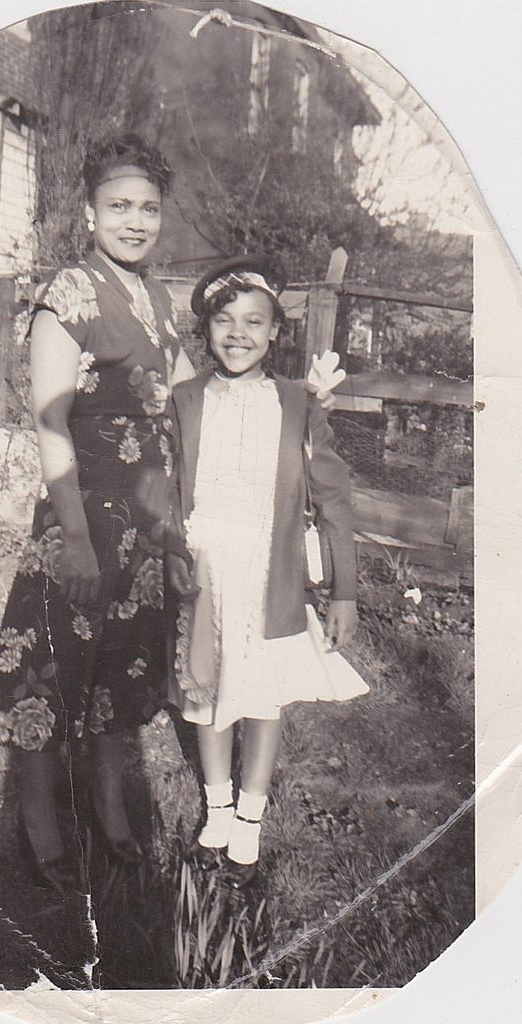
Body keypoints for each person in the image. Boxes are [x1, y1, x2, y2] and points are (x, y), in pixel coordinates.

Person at [0, 134, 195, 891]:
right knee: (49, 678)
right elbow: (49, 421)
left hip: (143, 529)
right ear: (88, 211)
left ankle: (108, 810)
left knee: (122, 679)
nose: (134, 221)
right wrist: (73, 540)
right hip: (81, 523)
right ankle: (42, 831)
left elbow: (186, 403)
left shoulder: (160, 300)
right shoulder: (69, 294)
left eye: (147, 208)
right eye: (118, 206)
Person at [166, 255, 369, 889]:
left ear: (275, 330)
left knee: (262, 692)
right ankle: (218, 808)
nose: (238, 334)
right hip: (204, 572)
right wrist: (171, 553)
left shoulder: (296, 403)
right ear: (207, 329)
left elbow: (332, 497)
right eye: (224, 321)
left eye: (254, 322)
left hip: (267, 571)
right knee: (206, 686)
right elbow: (169, 485)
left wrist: (345, 592)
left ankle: (251, 815)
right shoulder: (185, 399)